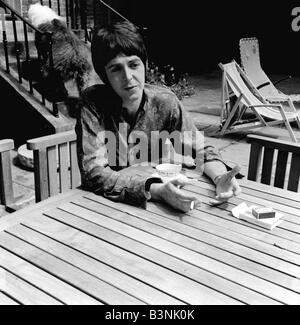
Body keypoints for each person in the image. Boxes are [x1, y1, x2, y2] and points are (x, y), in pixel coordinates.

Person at [75, 20, 242, 213]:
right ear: (104, 75)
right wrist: (156, 190)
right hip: (104, 206)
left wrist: (220, 178)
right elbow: (94, 173)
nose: (128, 76)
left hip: (155, 210)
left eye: (133, 64)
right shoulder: (93, 104)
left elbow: (201, 149)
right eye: (116, 69)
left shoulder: (165, 102)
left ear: (144, 65)